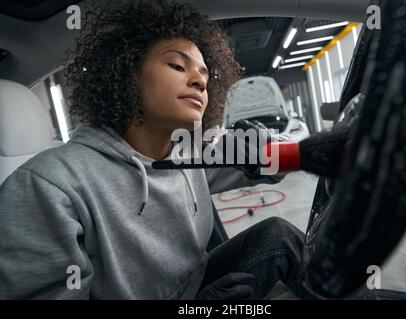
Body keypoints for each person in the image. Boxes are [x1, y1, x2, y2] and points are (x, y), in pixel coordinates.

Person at [0, 0, 307, 299]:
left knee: (277, 235)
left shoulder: (188, 152)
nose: (200, 82)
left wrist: (268, 153)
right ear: (128, 74)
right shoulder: (47, 186)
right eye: (177, 65)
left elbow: (283, 158)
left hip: (197, 282)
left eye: (204, 75)